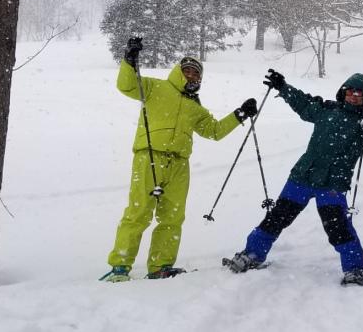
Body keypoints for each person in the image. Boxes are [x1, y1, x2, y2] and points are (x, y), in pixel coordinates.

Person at [222, 50, 363, 287]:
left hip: (333, 184)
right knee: (277, 218)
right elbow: (303, 103)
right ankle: (252, 254)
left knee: (338, 229)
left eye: (361, 94)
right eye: (351, 91)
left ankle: (354, 269)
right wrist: (283, 87)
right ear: (344, 92)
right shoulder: (327, 110)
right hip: (302, 177)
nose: (354, 96)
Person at [100, 37, 256, 282]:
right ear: (178, 72)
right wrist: (130, 58)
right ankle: (120, 266)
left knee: (172, 217)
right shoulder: (156, 88)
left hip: (179, 164)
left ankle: (160, 266)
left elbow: (214, 131)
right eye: (187, 71)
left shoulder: (196, 108)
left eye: (196, 73)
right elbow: (127, 85)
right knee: (138, 213)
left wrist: (239, 115)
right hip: (149, 158)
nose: (192, 76)